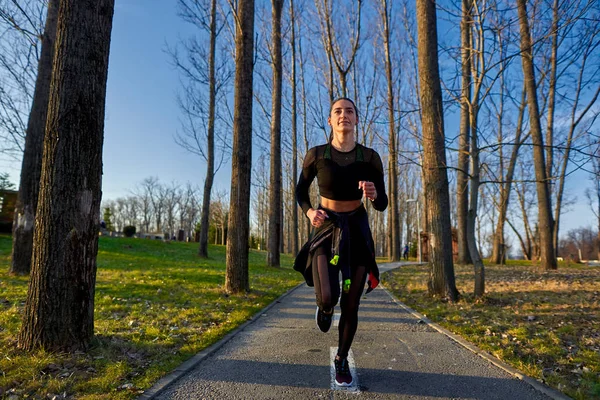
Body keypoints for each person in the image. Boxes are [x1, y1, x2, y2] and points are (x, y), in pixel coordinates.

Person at [293, 97, 388, 387]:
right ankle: (323, 308)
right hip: (326, 227)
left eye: (349, 111)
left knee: (351, 304)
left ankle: (342, 358)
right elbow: (300, 191)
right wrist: (310, 212)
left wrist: (373, 194)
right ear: (331, 121)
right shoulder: (317, 155)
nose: (343, 115)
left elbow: (383, 203)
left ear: (356, 120)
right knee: (328, 297)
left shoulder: (370, 158)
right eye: (338, 111)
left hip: (357, 229)